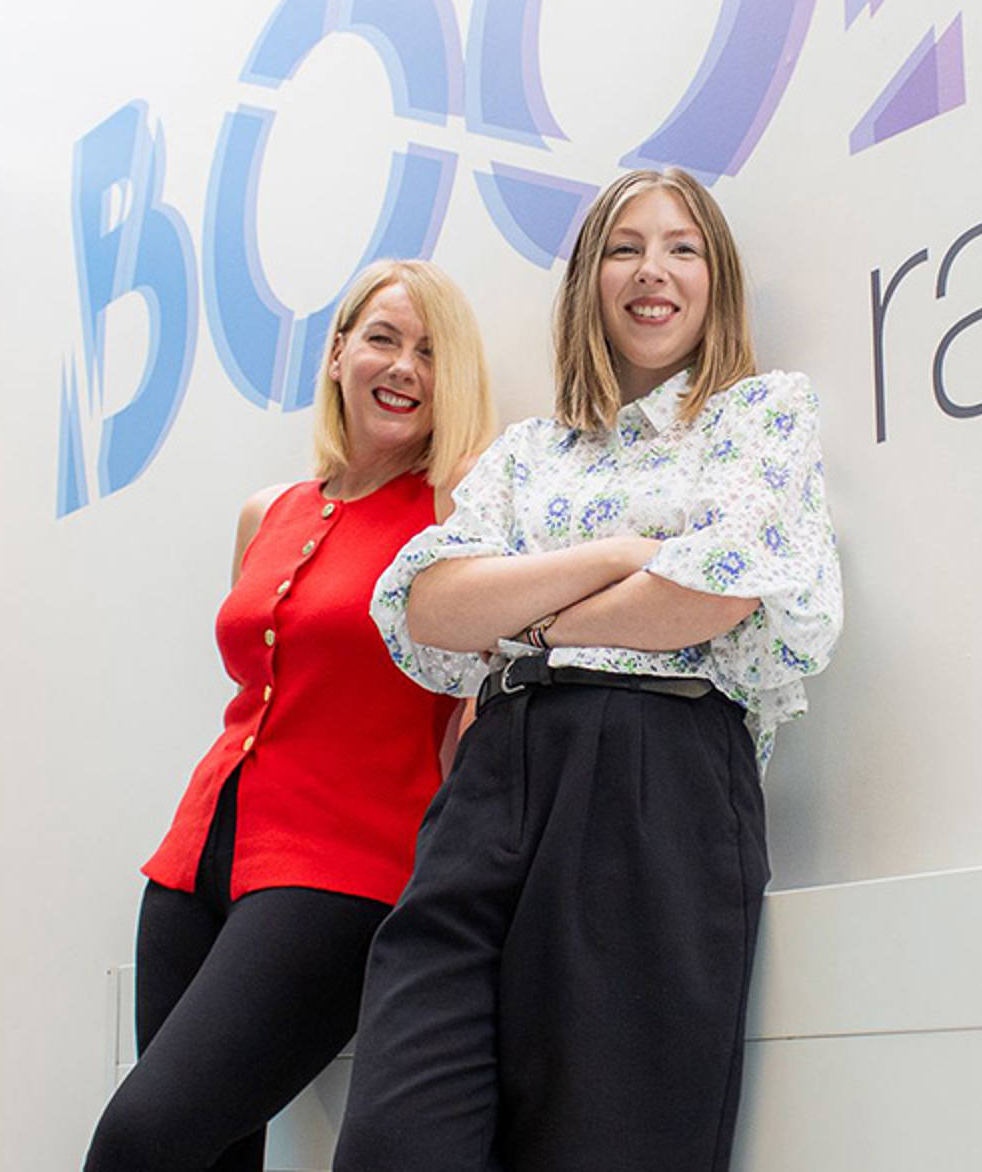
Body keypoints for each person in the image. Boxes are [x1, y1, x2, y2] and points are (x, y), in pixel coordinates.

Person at [333, 168, 843, 1172]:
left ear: (716, 278)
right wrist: (620, 554)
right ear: (587, 281)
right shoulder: (529, 453)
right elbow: (426, 602)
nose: (651, 271)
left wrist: (523, 612)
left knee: (605, 1142)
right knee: (395, 1136)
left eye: (681, 246)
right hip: (490, 788)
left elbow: (710, 593)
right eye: (623, 246)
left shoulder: (757, 415)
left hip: (656, 778)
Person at [84, 259, 497, 1172]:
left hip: (343, 872)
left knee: (141, 1141)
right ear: (340, 351)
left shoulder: (455, 507)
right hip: (195, 859)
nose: (404, 368)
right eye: (384, 339)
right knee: (215, 1154)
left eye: (432, 352)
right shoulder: (268, 511)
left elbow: (472, 703)